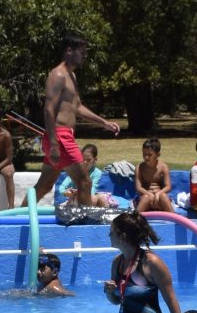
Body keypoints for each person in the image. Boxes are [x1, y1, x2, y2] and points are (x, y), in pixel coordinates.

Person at [32, 36, 122, 209]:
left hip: (63, 136)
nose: (85, 56)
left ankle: (18, 217)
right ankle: (87, 223)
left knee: (44, 186)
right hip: (59, 137)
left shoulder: (71, 76)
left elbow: (78, 107)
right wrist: (53, 143)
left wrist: (104, 122)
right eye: (81, 52)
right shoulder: (57, 75)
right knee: (85, 182)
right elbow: (48, 110)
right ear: (69, 51)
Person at [103, 211, 182, 313]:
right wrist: (109, 292)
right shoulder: (117, 262)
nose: (109, 235)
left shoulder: (151, 263)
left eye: (112, 232)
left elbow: (171, 300)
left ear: (122, 236)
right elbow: (116, 301)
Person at [55, 143, 114, 207]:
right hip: (74, 199)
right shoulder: (76, 172)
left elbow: (92, 190)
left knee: (101, 198)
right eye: (83, 159)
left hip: (90, 198)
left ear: (95, 159)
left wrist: (80, 193)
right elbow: (62, 186)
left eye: (88, 160)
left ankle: (107, 215)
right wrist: (65, 193)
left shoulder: (97, 173)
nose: (85, 162)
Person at [135, 138, 174, 213]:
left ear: (158, 154)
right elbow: (138, 187)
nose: (146, 157)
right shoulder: (139, 167)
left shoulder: (163, 167)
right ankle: (134, 221)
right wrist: (149, 194)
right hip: (145, 199)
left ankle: (176, 220)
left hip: (158, 200)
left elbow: (168, 186)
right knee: (146, 197)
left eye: (150, 155)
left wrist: (158, 194)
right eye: (144, 154)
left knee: (163, 196)